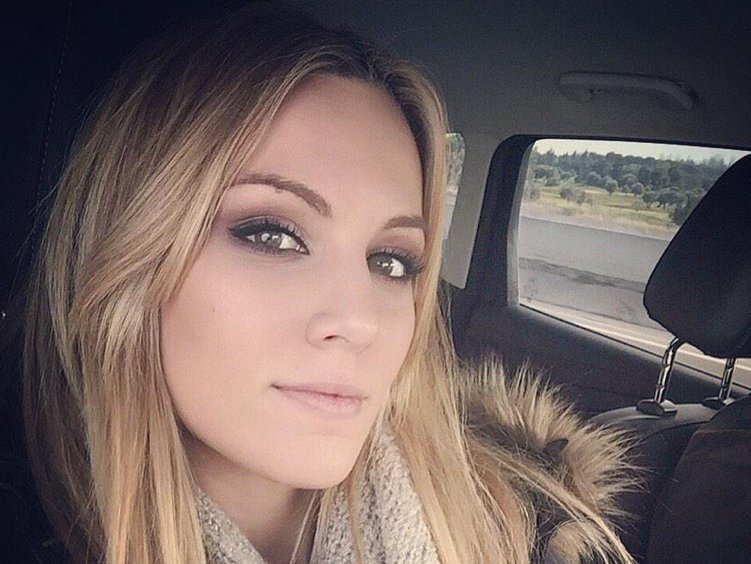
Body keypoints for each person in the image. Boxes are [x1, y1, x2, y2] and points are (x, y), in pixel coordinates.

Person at [21, 4, 635, 563]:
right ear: (131, 251)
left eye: (390, 261)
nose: (360, 321)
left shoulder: (527, 531)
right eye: (271, 234)